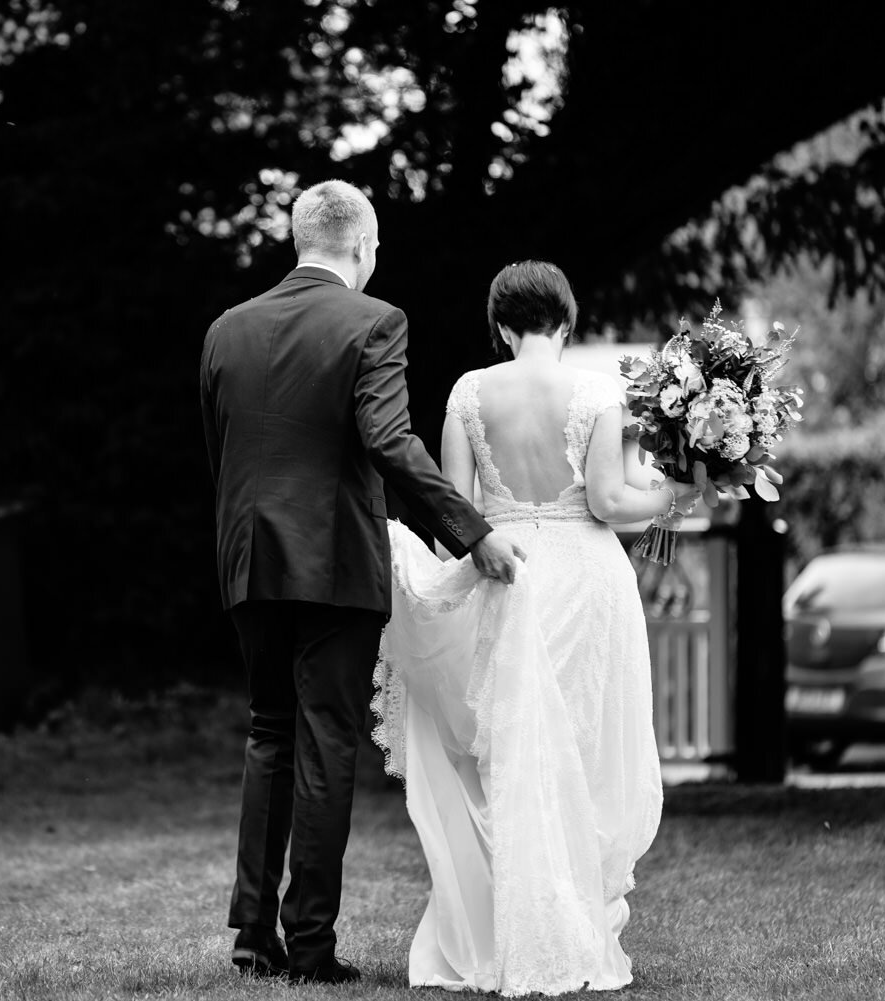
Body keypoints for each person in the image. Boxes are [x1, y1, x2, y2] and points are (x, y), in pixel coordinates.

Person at [199, 180, 526, 984]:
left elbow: (224, 450)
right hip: (336, 561)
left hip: (249, 557)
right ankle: (309, 942)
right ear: (363, 244)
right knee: (325, 740)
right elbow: (389, 439)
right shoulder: (374, 322)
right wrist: (471, 530)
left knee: (268, 731)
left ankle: (252, 938)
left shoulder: (225, 330)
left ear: (301, 238)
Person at [371, 260, 702, 995]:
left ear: (500, 326)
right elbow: (612, 501)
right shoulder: (595, 391)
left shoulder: (467, 391)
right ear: (568, 320)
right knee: (579, 752)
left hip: (504, 575)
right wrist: (677, 490)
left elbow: (456, 508)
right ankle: (568, 925)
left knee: (507, 756)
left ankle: (501, 933)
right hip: (584, 580)